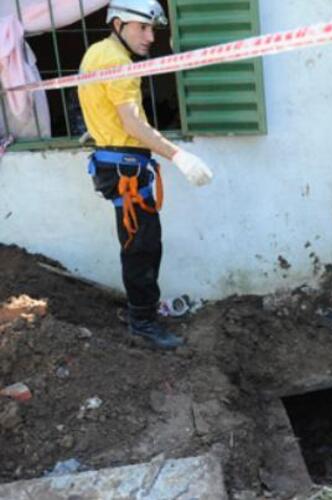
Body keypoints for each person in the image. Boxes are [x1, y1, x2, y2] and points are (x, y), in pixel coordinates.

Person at [78, 0, 213, 350]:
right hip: (126, 170)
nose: (151, 37)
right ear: (119, 24)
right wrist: (178, 155)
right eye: (144, 28)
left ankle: (142, 311)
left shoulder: (95, 53)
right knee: (143, 246)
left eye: (153, 29)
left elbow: (105, 110)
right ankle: (143, 323)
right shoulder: (118, 63)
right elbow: (133, 123)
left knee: (137, 242)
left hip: (117, 163)